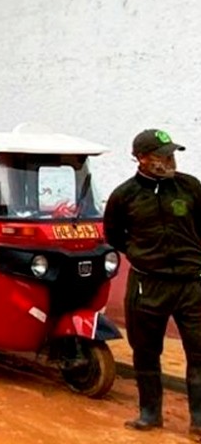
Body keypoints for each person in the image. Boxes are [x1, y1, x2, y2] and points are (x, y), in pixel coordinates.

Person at [105, 128, 201, 436]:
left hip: (191, 285)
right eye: (163, 156)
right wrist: (142, 255)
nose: (171, 160)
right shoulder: (125, 196)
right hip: (148, 286)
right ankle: (150, 413)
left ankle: (199, 420)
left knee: (199, 352)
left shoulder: (190, 187)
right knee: (145, 352)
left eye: (173, 154)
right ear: (142, 159)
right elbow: (114, 235)